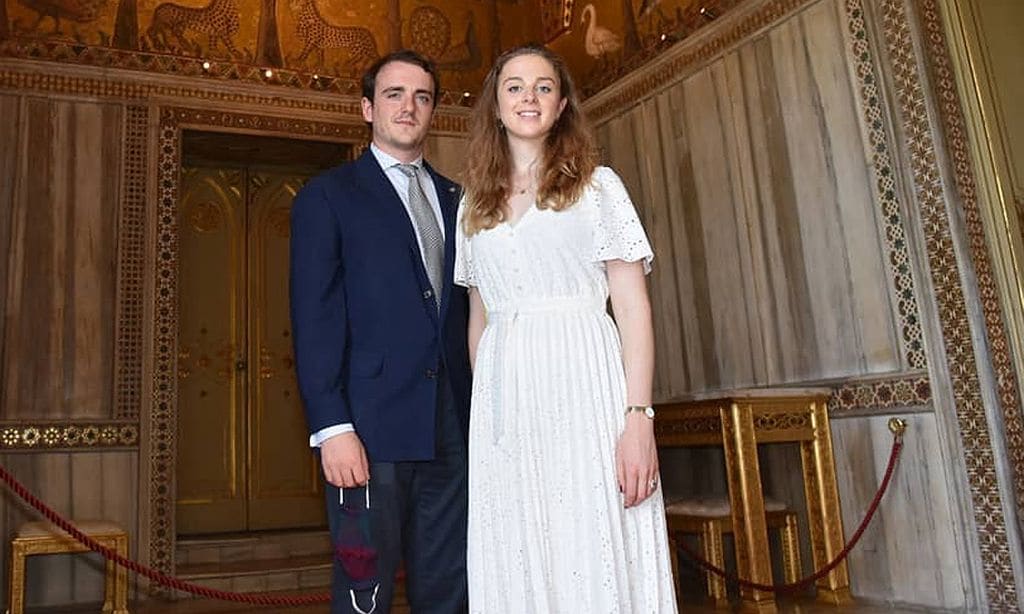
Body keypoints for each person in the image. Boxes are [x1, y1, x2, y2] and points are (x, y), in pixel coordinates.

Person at [455, 44, 678, 612]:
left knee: (590, 529)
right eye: (514, 86)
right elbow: (479, 319)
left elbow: (633, 310)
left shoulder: (599, 188)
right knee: (518, 542)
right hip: (507, 403)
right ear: (495, 105)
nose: (528, 97)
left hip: (586, 386)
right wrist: (495, 405)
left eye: (543, 87)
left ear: (561, 106)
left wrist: (638, 418)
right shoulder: (472, 205)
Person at [290, 49, 471, 614]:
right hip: (367, 429)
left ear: (433, 111)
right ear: (368, 108)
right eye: (394, 94)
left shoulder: (459, 200)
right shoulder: (329, 195)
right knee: (364, 588)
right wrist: (331, 426)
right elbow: (312, 315)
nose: (408, 106)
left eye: (422, 96)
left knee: (449, 586)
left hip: (453, 428)